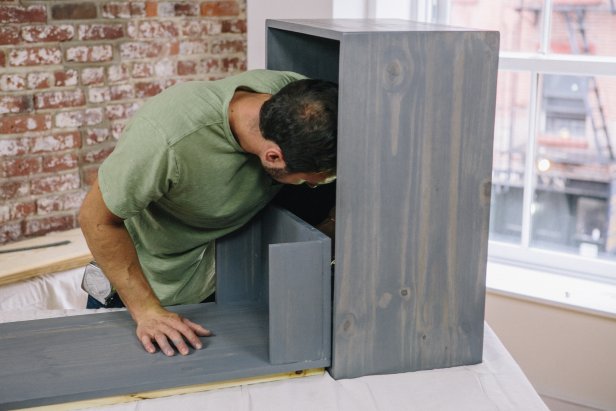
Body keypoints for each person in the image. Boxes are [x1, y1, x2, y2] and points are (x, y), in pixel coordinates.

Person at [78, 69, 338, 358]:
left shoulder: (301, 99)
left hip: (217, 283)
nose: (314, 186)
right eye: (309, 179)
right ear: (273, 156)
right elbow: (95, 219)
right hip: (145, 296)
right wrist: (147, 311)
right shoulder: (166, 138)